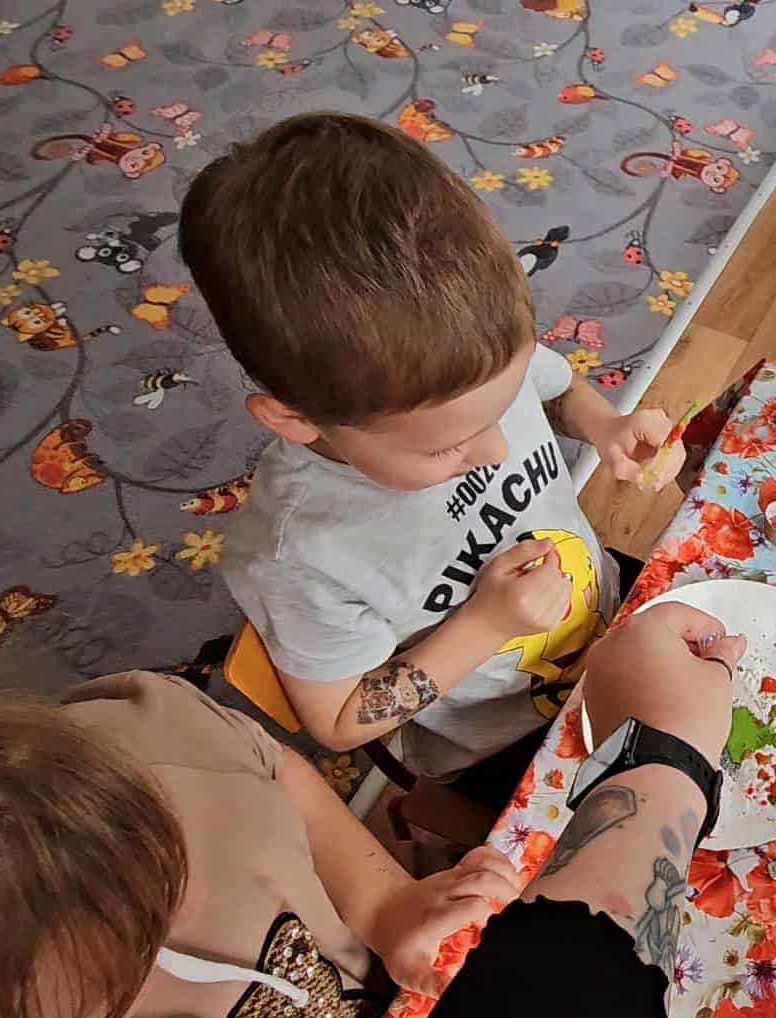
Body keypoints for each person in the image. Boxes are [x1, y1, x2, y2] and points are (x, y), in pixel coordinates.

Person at [0, 601, 742, 1018]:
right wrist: (664, 758)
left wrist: (383, 902)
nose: (189, 896)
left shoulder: (135, 735)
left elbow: (264, 765)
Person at [180, 112, 675, 809]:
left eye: (502, 409)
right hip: (505, 741)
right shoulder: (297, 554)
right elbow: (339, 721)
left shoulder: (470, 363)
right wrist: (486, 626)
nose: (497, 450)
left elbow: (557, 388)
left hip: (607, 606)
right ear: (295, 419)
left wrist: (606, 426)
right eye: (448, 447)